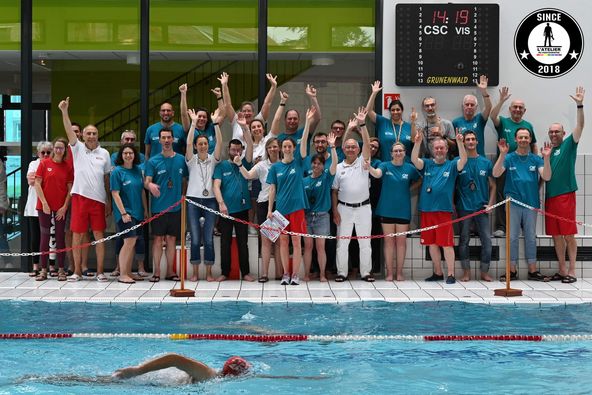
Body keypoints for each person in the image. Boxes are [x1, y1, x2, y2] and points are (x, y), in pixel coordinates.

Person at [58, 97, 111, 282]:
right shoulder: (77, 148)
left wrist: (108, 201)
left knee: (98, 236)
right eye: (88, 133)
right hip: (80, 198)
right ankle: (77, 272)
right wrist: (64, 112)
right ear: (83, 135)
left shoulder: (104, 154)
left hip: (98, 200)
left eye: (94, 133)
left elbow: (106, 178)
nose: (91, 136)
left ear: (98, 135)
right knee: (77, 236)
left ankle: (100, 272)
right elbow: (68, 130)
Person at [266, 108, 317, 286]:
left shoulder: (299, 162)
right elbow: (272, 189)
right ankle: (285, 274)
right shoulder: (275, 168)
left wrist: (309, 121)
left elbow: (304, 144)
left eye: (290, 146)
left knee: (296, 242)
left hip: (297, 208)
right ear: (281, 148)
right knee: (283, 242)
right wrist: (269, 210)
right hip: (280, 209)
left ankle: (295, 275)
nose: (287, 148)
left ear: (293, 148)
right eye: (285, 146)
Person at [492, 130, 552, 281]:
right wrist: (502, 154)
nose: (524, 139)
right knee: (512, 237)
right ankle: (512, 270)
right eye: (521, 137)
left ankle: (532, 270)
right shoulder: (509, 158)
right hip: (513, 204)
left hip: (531, 204)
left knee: (530, 237)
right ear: (516, 139)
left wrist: (546, 159)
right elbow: (496, 173)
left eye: (526, 137)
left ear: (530, 139)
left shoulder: (535, 159)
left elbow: (546, 176)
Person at [411, 132, 467, 284]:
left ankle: (450, 274)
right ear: (432, 150)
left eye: (442, 148)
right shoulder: (427, 164)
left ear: (447, 149)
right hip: (427, 210)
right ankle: (437, 272)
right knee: (431, 243)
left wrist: (461, 143)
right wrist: (417, 143)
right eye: (436, 148)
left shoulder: (452, 165)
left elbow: (463, 160)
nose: (439, 150)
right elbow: (414, 160)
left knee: (447, 244)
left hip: (443, 211)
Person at [545, 87, 585, 284]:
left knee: (568, 234)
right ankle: (561, 270)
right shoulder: (547, 152)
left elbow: (581, 126)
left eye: (557, 131)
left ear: (563, 133)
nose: (554, 134)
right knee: (556, 235)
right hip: (550, 197)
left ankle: (572, 270)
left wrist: (579, 104)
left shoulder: (569, 144)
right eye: (551, 132)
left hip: (565, 195)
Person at [368, 142, 421, 281]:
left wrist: (409, 189)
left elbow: (420, 179)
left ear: (405, 153)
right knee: (389, 242)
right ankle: (390, 273)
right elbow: (377, 174)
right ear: (391, 153)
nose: (398, 153)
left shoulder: (409, 168)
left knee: (401, 242)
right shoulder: (385, 166)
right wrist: (369, 168)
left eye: (400, 151)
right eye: (395, 151)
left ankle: (399, 272)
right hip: (386, 209)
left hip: (403, 210)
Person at [331, 107, 373, 282]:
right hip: (344, 209)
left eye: (353, 147)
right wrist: (335, 211)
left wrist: (362, 125)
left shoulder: (364, 163)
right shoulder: (338, 168)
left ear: (358, 149)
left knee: (365, 242)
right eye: (347, 147)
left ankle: (366, 273)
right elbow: (334, 191)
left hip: (364, 208)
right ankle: (342, 273)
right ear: (344, 149)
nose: (350, 149)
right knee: (343, 243)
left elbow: (367, 145)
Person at [490, 86, 538, 237]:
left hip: (523, 167)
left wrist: (536, 165)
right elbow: (492, 116)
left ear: (524, 111)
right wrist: (501, 100)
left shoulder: (528, 126)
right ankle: (501, 227)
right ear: (510, 109)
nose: (517, 109)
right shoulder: (503, 122)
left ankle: (525, 228)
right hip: (505, 165)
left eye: (520, 108)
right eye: (515, 107)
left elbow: (534, 146)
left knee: (524, 196)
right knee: (501, 195)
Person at [144, 128, 189, 282]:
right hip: (158, 208)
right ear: (160, 140)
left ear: (173, 139)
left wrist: (183, 194)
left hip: (176, 207)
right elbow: (147, 181)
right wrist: (149, 186)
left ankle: (170, 271)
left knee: (171, 239)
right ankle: (156, 271)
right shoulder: (153, 161)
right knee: (157, 240)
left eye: (169, 137)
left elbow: (185, 180)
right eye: (164, 138)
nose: (167, 140)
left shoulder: (182, 159)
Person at [213, 124, 256, 282]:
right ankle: (225, 272)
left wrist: (245, 128)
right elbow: (216, 186)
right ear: (228, 150)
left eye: (239, 150)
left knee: (242, 242)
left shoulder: (245, 163)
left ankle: (245, 272)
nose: (236, 153)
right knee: (225, 242)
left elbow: (250, 144)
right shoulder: (221, 166)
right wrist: (221, 203)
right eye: (233, 150)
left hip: (243, 209)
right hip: (226, 210)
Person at [237, 137, 283, 283]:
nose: (273, 149)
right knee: (266, 239)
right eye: (270, 147)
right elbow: (249, 175)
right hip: (264, 204)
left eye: (275, 146)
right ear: (267, 150)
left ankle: (279, 273)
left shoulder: (284, 164)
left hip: (281, 204)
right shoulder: (262, 165)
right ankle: (264, 274)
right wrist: (239, 165)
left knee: (280, 240)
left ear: (280, 148)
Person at [185, 108, 223, 282]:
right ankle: (194, 272)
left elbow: (220, 143)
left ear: (208, 145)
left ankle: (208, 273)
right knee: (194, 237)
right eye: (199, 144)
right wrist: (193, 123)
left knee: (208, 237)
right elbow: (187, 143)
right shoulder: (191, 160)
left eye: (205, 144)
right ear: (195, 146)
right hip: (193, 200)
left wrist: (215, 124)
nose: (202, 146)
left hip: (210, 201)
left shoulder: (213, 160)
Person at [455, 130, 496, 282]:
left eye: (473, 139)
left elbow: (493, 185)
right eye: (468, 139)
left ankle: (484, 272)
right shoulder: (459, 162)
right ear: (464, 142)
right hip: (464, 207)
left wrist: (490, 204)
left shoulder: (486, 162)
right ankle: (466, 272)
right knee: (464, 239)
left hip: (481, 208)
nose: (471, 142)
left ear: (477, 142)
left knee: (487, 240)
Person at [110, 130, 148, 279]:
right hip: (125, 213)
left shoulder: (138, 170)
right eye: (125, 153)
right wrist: (124, 213)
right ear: (121, 155)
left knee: (132, 242)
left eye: (131, 153)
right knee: (128, 241)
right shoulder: (117, 172)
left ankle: (129, 271)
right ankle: (122, 273)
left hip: (138, 212)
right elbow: (115, 193)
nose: (128, 155)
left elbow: (142, 192)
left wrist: (145, 210)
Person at [33, 138, 72, 281]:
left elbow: (70, 189)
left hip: (60, 207)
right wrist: (44, 203)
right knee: (44, 237)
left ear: (64, 150)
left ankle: (61, 269)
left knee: (60, 237)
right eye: (56, 147)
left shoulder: (67, 166)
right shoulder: (44, 164)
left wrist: (65, 206)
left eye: (61, 148)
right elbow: (37, 183)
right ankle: (43, 270)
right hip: (44, 207)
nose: (58, 150)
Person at [302, 131, 338, 282]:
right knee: (308, 247)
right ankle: (307, 274)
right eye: (314, 163)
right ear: (311, 165)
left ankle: (322, 274)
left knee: (320, 247)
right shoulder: (304, 181)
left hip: (322, 216)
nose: (316, 166)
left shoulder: (326, 177)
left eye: (319, 164)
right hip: (307, 217)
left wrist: (333, 147)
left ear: (324, 166)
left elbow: (335, 164)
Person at [219, 71, 277, 147]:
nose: (246, 113)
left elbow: (267, 103)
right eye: (244, 111)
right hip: (238, 156)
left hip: (256, 156)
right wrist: (224, 85)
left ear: (253, 113)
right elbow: (227, 105)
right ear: (240, 112)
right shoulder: (236, 121)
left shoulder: (258, 122)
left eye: (249, 111)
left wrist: (273, 86)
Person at [112, 353, 250, 383]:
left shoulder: (213, 376)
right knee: (110, 380)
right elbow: (174, 359)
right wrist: (138, 370)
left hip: (156, 379)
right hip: (147, 379)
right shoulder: (208, 374)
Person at [365, 81, 413, 161]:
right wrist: (374, 93)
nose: (395, 112)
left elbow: (416, 144)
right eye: (393, 110)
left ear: (402, 110)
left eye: (398, 110)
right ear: (390, 112)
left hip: (406, 167)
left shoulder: (409, 127)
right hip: (386, 166)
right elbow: (369, 111)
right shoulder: (383, 122)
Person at [25, 141, 52, 277]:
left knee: (50, 238)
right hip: (34, 206)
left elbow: (38, 180)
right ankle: (36, 266)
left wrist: (39, 178)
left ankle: (51, 266)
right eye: (43, 152)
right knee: (36, 237)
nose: (46, 155)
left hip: (49, 206)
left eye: (48, 152)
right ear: (38, 153)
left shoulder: (54, 164)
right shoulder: (33, 164)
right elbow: (31, 181)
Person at [270, 85, 321, 152]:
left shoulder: (304, 132)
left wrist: (313, 97)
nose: (292, 121)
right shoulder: (279, 138)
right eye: (290, 119)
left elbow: (317, 118)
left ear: (299, 120)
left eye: (295, 118)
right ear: (285, 120)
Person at [144, 84, 189, 159]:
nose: (165, 113)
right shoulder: (150, 130)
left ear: (173, 113)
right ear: (159, 113)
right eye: (163, 110)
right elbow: (147, 154)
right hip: (155, 168)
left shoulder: (181, 129)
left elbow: (186, 152)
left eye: (168, 110)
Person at [452, 75, 493, 157]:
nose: (469, 107)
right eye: (467, 104)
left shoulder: (480, 119)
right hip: (463, 160)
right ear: (463, 106)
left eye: (472, 105)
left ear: (476, 107)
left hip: (479, 159)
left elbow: (488, 107)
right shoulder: (456, 122)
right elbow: (453, 144)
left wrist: (484, 92)